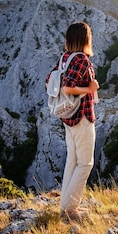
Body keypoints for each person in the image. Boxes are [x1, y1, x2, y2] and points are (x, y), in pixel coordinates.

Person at [47, 22, 99, 222]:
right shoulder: (82, 60)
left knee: (73, 161)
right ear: (86, 39)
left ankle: (65, 205)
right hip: (82, 117)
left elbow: (49, 82)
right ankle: (70, 209)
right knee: (85, 163)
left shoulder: (64, 58)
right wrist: (89, 88)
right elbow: (69, 88)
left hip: (68, 118)